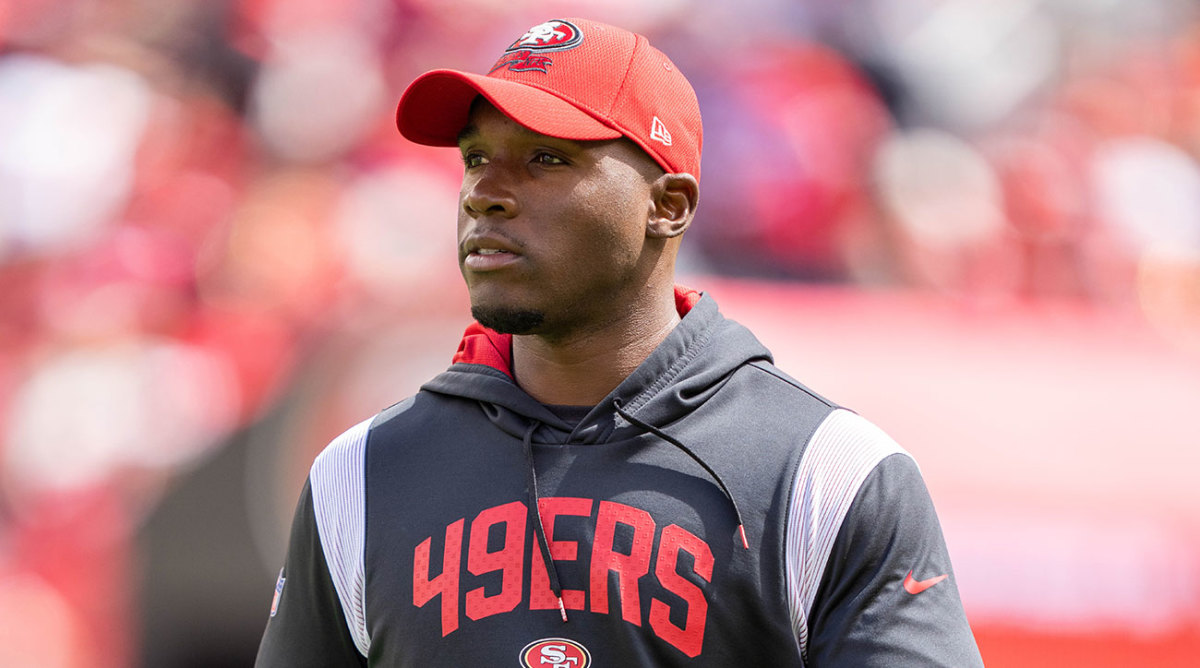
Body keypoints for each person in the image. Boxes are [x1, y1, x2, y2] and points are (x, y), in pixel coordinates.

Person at [255, 17, 983, 667]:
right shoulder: (362, 474)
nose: (485, 192)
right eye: (476, 157)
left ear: (667, 207)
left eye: (546, 159)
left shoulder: (827, 474)